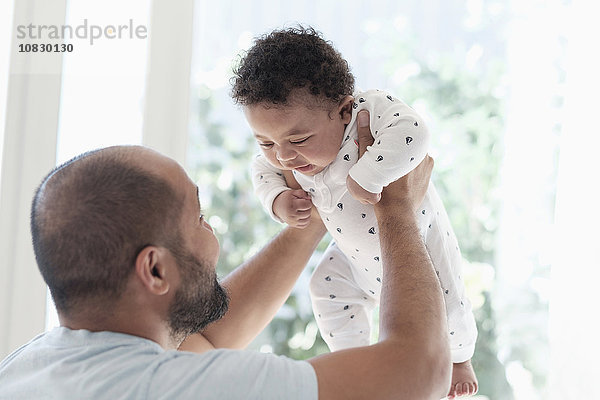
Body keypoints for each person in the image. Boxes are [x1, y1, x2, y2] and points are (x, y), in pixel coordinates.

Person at [0, 138, 449, 399]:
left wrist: (314, 215)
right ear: (154, 270)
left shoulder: (30, 367)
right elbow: (420, 370)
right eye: (199, 218)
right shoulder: (184, 390)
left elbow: (202, 341)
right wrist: (396, 209)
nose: (213, 234)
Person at [231, 26, 478, 398]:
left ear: (343, 110)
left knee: (448, 298)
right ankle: (358, 360)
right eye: (266, 141)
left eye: (299, 140)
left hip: (418, 245)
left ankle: (461, 356)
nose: (284, 156)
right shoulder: (285, 157)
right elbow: (261, 171)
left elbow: (414, 132)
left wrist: (371, 174)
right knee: (324, 288)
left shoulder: (369, 110)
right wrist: (278, 200)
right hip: (353, 257)